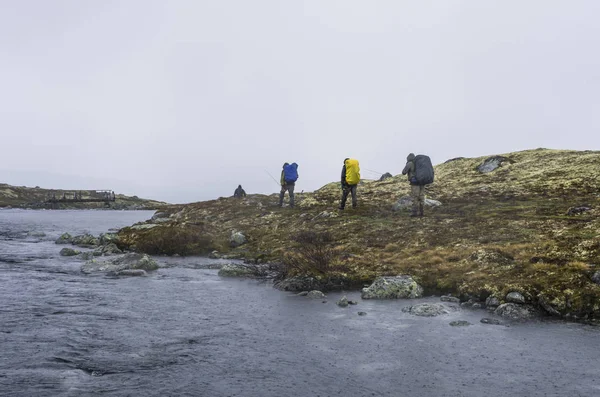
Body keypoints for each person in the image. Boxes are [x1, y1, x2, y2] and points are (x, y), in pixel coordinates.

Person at [402, 153, 424, 217]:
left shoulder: (410, 163)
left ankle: (414, 213)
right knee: (421, 196)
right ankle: (422, 212)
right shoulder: (419, 163)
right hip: (422, 181)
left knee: (415, 197)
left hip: (415, 182)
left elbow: (403, 172)